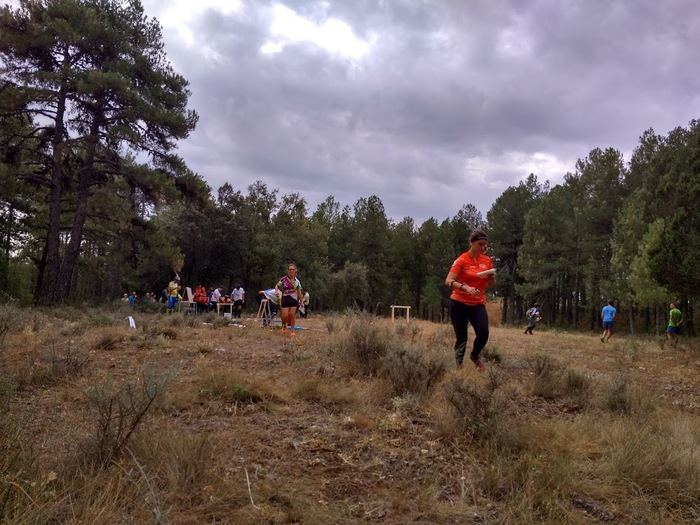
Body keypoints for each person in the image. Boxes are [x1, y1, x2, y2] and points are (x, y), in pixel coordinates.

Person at [444, 229, 495, 370]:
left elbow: (490, 285)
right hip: (459, 303)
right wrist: (465, 288)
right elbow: (448, 280)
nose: (484, 247)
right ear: (472, 243)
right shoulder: (461, 260)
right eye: (481, 244)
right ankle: (459, 368)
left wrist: (491, 278)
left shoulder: (487, 260)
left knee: (483, 333)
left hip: (477, 304)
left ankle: (474, 355)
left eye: (486, 245)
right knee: (462, 338)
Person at [275, 263, 303, 335]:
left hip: (294, 299)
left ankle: (292, 331)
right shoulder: (284, 279)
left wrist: (301, 301)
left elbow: (299, 292)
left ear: (295, 270)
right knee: (285, 316)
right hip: (285, 299)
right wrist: (276, 291)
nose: (291, 271)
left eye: (293, 269)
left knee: (292, 315)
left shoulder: (297, 281)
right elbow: (277, 286)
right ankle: (284, 327)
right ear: (288, 271)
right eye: (290, 269)